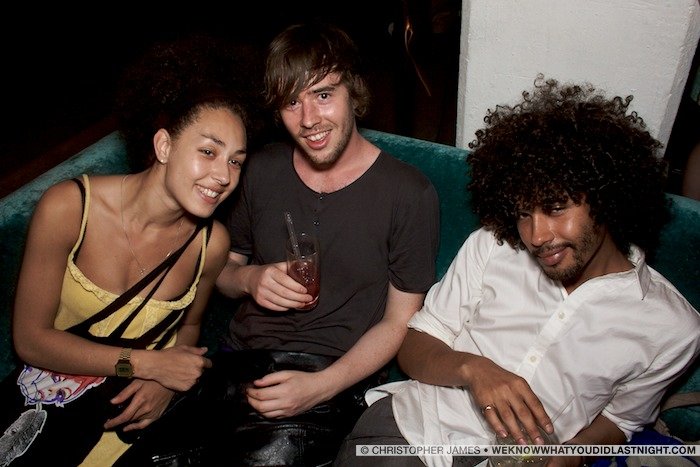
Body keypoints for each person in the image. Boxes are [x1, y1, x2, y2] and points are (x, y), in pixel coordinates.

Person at [334, 76, 700, 467]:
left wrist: (571, 457)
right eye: (524, 213)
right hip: (413, 433)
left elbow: (622, 419)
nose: (536, 236)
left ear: (607, 199)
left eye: (555, 208)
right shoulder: (493, 246)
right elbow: (414, 344)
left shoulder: (673, 328)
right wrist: (475, 371)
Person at [187, 21, 440, 467]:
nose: (308, 120)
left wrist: (322, 386)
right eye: (291, 101)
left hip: (332, 376)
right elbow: (221, 271)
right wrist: (249, 279)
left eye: (323, 94)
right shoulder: (259, 168)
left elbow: (401, 321)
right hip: (238, 363)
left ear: (353, 92)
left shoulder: (408, 192)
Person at [0, 35, 250, 467]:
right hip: (49, 408)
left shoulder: (211, 244)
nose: (224, 175)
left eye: (236, 161)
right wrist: (147, 366)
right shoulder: (69, 208)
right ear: (164, 146)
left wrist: (165, 384)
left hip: (129, 419)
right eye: (208, 151)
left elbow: (189, 326)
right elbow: (29, 340)